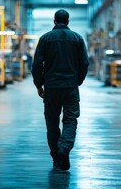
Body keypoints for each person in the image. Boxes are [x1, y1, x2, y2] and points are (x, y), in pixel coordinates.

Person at [32, 9, 89, 171]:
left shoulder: (45, 39)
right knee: (70, 119)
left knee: (52, 122)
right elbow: (84, 63)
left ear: (54, 21)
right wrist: (77, 81)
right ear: (68, 21)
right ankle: (64, 148)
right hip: (70, 86)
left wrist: (39, 84)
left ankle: (56, 156)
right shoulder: (77, 39)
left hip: (51, 87)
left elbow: (37, 64)